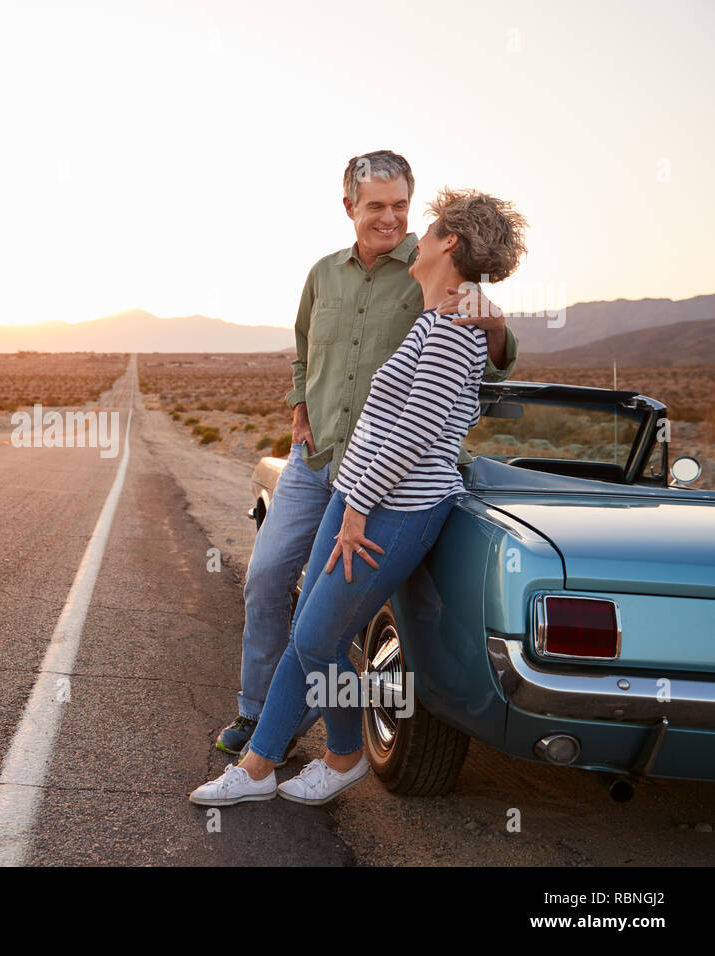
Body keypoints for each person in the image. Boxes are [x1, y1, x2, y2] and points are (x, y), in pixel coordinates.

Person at [192, 187, 528, 806]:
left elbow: (411, 435)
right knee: (306, 631)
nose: (412, 235)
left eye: (423, 228)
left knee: (320, 639)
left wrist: (355, 508)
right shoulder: (433, 315)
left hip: (394, 510)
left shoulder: (457, 328)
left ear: (448, 242)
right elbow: (375, 412)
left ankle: (343, 754)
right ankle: (258, 766)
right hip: (359, 491)